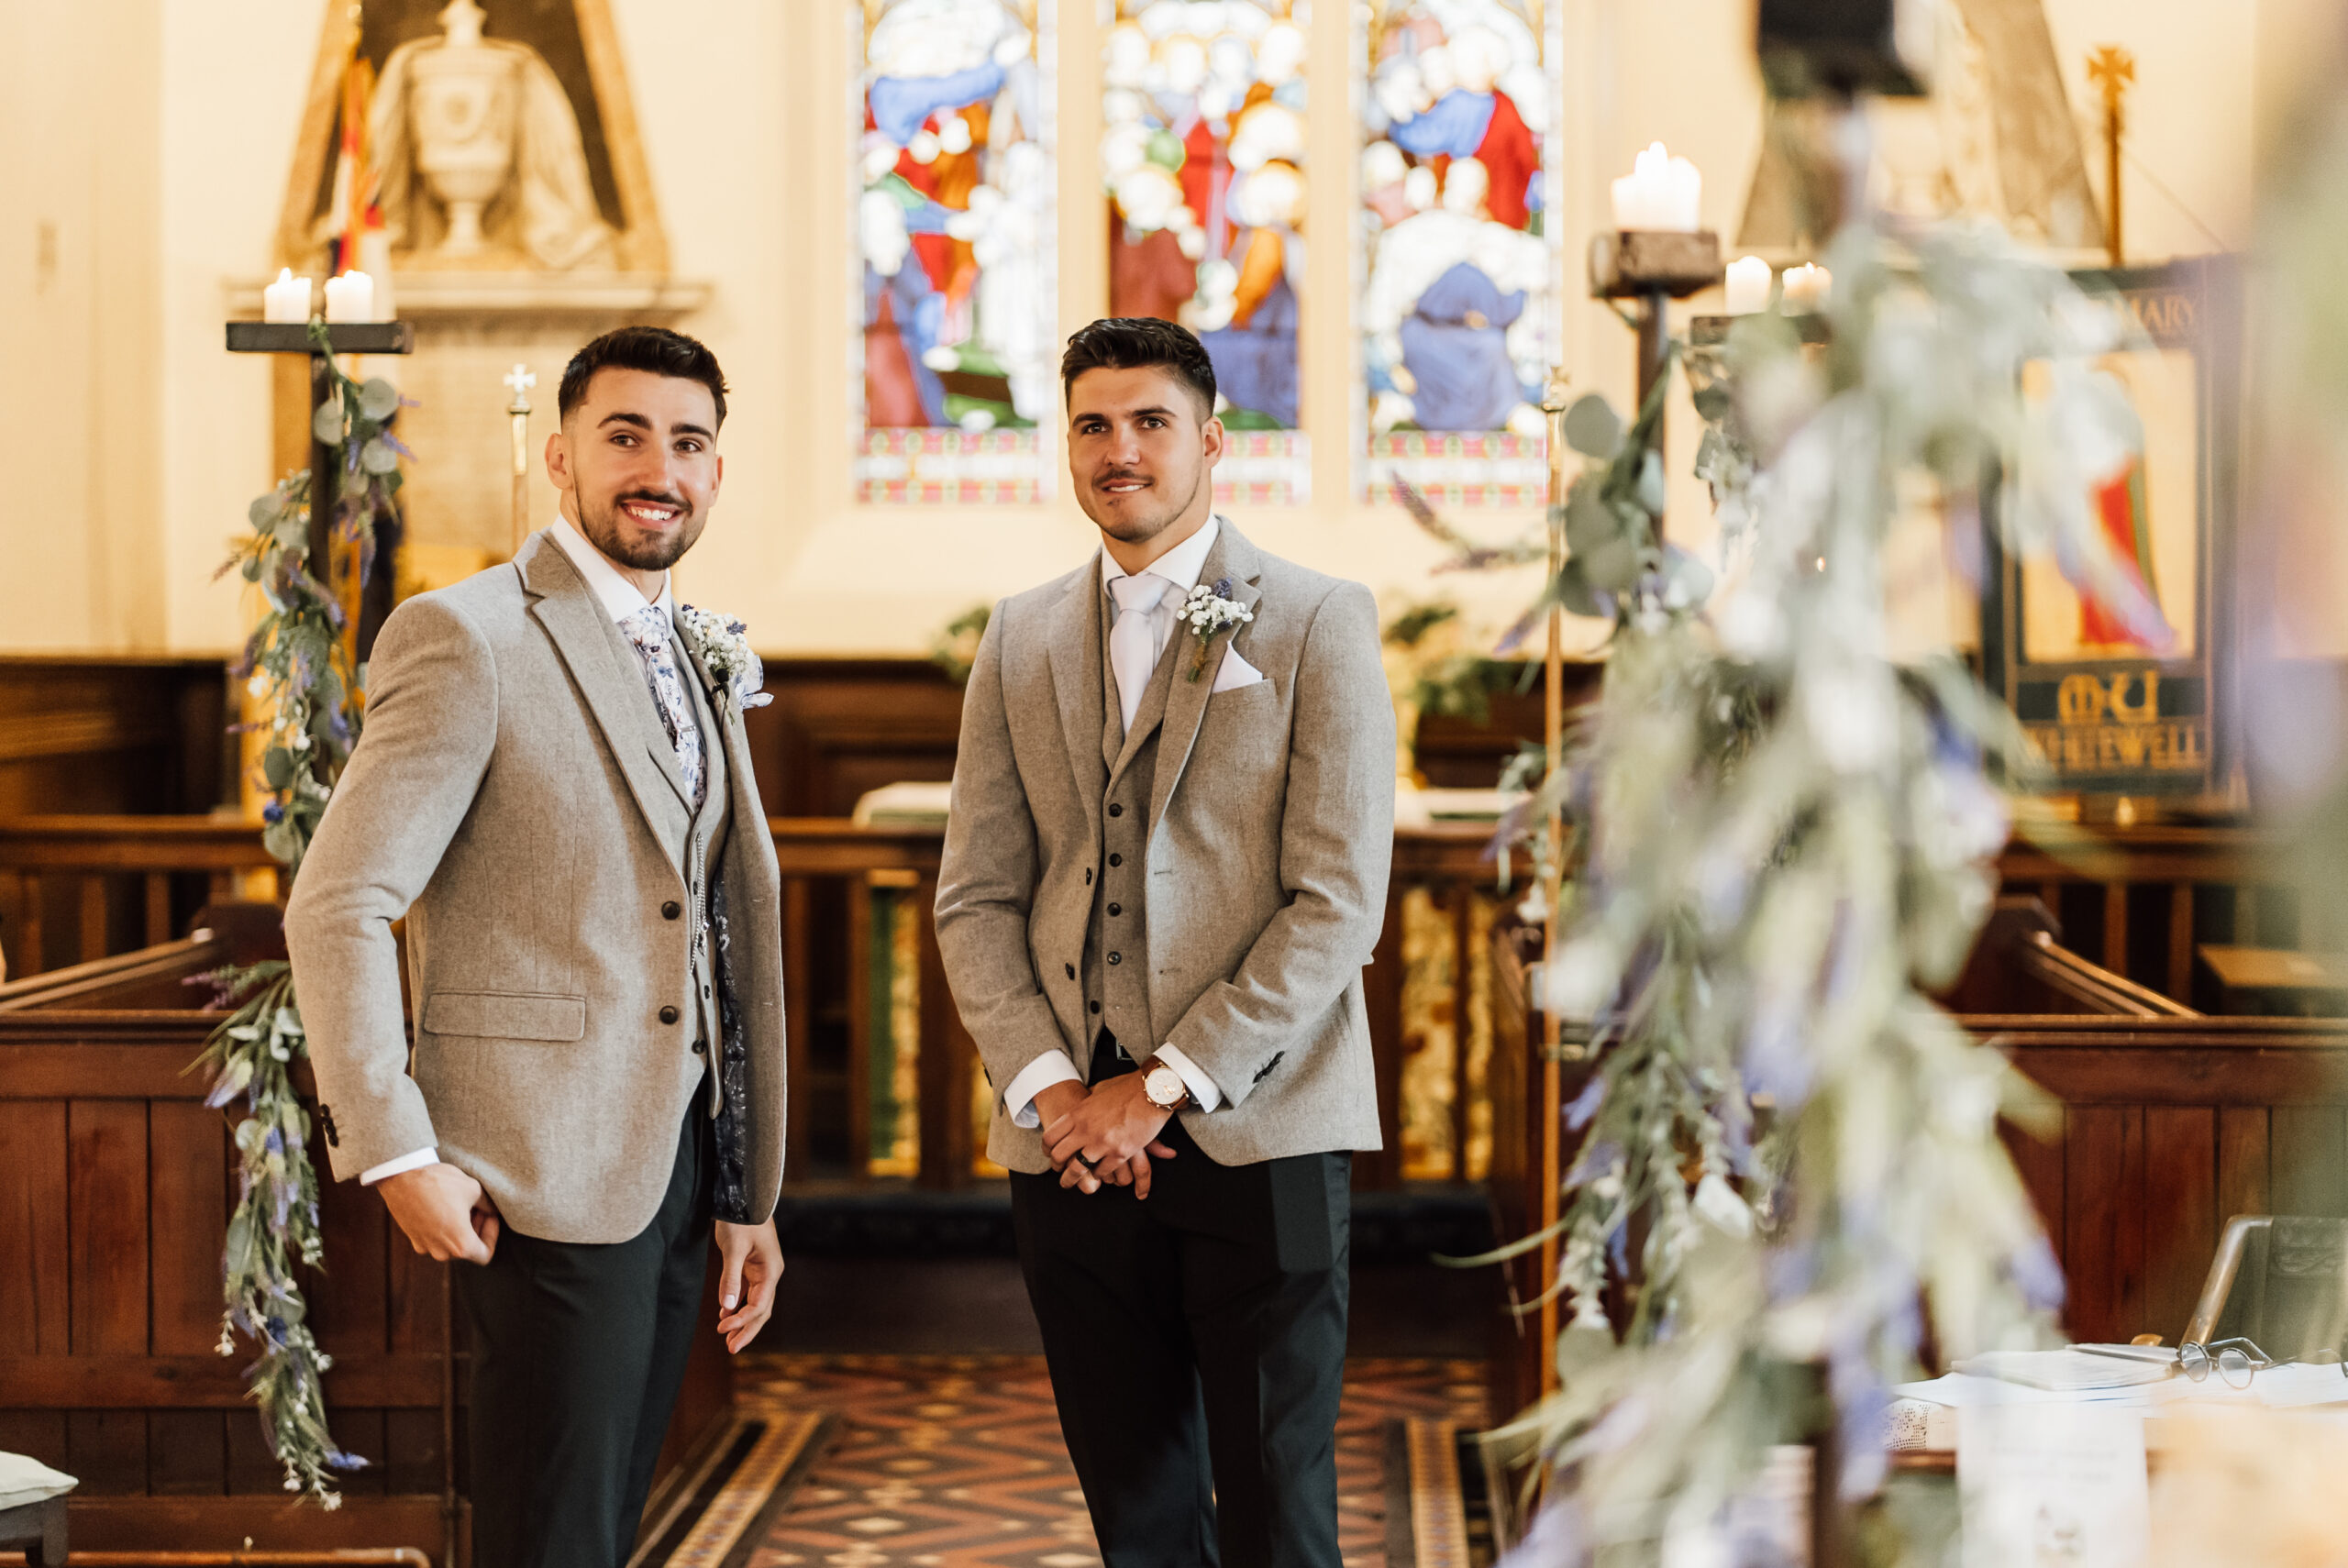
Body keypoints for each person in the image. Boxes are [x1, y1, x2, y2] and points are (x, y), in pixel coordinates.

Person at [283, 326, 789, 1568]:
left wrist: (742, 1191)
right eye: (624, 436)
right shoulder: (468, 637)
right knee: (547, 1531)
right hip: (533, 1161)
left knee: (608, 1520)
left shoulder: (697, 649)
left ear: (717, 473)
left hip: (673, 1162)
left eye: (687, 442)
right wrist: (395, 1145)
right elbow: (337, 903)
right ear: (560, 457)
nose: (656, 468)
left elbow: (710, 924)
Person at [935, 317, 1394, 1568]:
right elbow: (973, 896)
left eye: (1148, 423)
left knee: (1275, 1515)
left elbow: (1338, 901)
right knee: (1134, 1514)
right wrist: (1058, 1091)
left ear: (1211, 441)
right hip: (1071, 1146)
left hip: (1264, 1128)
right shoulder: (1019, 635)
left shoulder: (1314, 621)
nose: (1119, 449)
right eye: (1093, 424)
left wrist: (1165, 1085)